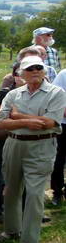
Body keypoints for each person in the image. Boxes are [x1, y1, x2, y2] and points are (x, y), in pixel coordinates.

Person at [0, 56, 66, 243]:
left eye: (39, 67)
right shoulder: (14, 94)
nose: (35, 71)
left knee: (34, 194)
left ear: (44, 70)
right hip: (14, 144)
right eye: (30, 68)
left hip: (41, 146)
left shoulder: (56, 93)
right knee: (11, 190)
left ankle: (30, 242)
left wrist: (17, 117)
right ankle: (11, 230)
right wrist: (26, 121)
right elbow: (0, 122)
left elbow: (48, 122)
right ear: (21, 74)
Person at [0, 63, 24, 220]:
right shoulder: (5, 93)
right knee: (0, 174)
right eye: (20, 74)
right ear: (14, 76)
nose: (24, 78)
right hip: (3, 140)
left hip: (23, 140)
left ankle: (18, 209)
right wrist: (12, 112)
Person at [51, 67, 66, 206]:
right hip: (63, 124)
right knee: (59, 159)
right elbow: (56, 99)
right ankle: (57, 191)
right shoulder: (63, 74)